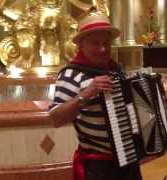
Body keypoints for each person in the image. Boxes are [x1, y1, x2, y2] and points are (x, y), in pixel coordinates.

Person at [49, 13, 143, 180]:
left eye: (106, 43)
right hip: (99, 167)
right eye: (95, 43)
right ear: (81, 45)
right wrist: (86, 93)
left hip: (128, 158)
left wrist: (157, 108)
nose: (102, 49)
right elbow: (56, 118)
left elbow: (131, 108)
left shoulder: (116, 69)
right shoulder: (70, 75)